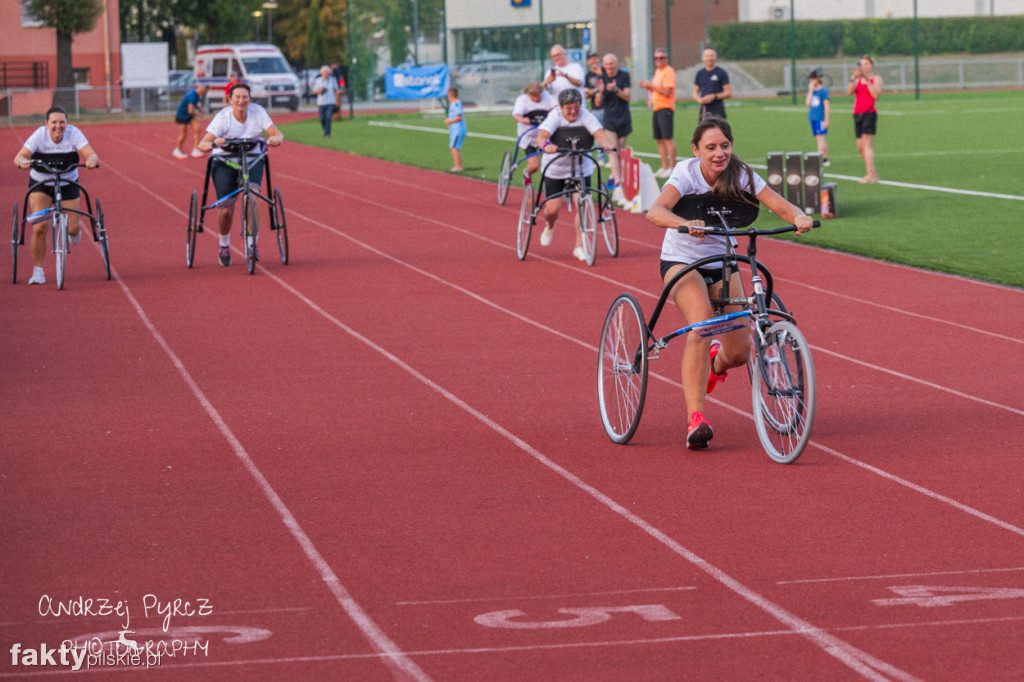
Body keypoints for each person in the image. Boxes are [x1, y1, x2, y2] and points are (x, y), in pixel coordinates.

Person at [645, 116, 813, 449]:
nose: (719, 153)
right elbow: (655, 211)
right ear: (696, 150)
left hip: (723, 260)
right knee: (703, 326)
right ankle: (696, 420)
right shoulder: (685, 173)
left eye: (724, 146)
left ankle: (714, 366)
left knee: (738, 352)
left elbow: (778, 204)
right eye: (710, 147)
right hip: (682, 260)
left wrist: (799, 217)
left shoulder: (741, 174)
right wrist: (684, 224)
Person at [197, 82, 284, 267]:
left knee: (252, 198)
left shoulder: (257, 111)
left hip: (251, 159)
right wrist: (214, 144)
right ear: (230, 99)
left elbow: (276, 132)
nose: (241, 101)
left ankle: (252, 244)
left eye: (245, 97)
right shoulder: (223, 118)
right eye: (237, 97)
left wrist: (276, 138)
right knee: (227, 209)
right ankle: (224, 244)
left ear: (250, 99)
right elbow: (202, 145)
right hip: (225, 162)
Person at [13, 106, 100, 285]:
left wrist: (91, 160)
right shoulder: (39, 135)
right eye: (54, 122)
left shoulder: (74, 133)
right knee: (39, 227)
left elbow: (91, 154)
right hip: (41, 184)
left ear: (67, 123)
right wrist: (23, 162)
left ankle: (71, 232)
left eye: (62, 122)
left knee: (74, 229)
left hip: (67, 183)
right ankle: (38, 271)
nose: (58, 126)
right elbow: (20, 156)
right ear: (47, 124)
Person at [533, 88, 620, 261]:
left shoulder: (586, 116)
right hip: (556, 168)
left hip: (581, 167)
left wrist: (606, 144)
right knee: (553, 210)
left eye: (576, 107)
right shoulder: (555, 117)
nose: (573, 111)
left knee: (582, 205)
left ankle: (579, 246)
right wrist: (545, 145)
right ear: (561, 108)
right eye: (569, 108)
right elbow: (542, 136)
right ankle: (550, 225)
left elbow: (599, 133)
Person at [639, 48, 677, 177]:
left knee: (667, 138)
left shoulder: (669, 71)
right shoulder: (657, 72)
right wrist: (647, 86)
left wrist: (652, 85)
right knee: (659, 139)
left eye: (661, 58)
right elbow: (657, 90)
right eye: (656, 58)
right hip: (656, 107)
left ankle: (672, 167)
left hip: (665, 107)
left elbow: (667, 92)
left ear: (666, 58)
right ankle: (664, 166)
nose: (658, 60)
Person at [512, 81, 557, 182]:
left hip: (544, 135)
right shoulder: (522, 100)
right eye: (533, 96)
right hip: (529, 136)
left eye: (538, 95)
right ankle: (527, 173)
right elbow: (516, 115)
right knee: (535, 166)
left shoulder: (547, 97)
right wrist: (523, 120)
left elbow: (556, 108)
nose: (536, 98)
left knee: (548, 164)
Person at [847, 55, 882, 183]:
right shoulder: (857, 80)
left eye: (867, 64)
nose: (864, 66)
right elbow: (849, 92)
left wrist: (868, 81)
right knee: (860, 147)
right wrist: (853, 78)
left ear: (871, 65)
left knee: (867, 144)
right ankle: (873, 173)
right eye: (862, 64)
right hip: (857, 114)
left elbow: (876, 95)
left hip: (869, 113)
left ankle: (869, 175)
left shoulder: (875, 78)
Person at [173, 84, 209, 159]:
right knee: (184, 134)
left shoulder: (197, 94)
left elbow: (194, 104)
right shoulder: (192, 95)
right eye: (205, 92)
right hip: (182, 116)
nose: (205, 94)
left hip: (189, 116)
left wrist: (199, 109)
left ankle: (195, 150)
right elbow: (190, 111)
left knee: (198, 129)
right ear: (202, 89)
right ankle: (178, 150)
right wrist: (198, 114)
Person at [693, 48, 730, 121]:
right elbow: (695, 92)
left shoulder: (721, 72)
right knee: (703, 131)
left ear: (715, 57)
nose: (710, 58)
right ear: (703, 58)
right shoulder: (700, 73)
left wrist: (713, 97)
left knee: (720, 131)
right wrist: (699, 99)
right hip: (704, 109)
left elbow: (728, 93)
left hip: (718, 109)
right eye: (707, 56)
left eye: (712, 56)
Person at [805, 69, 830, 167]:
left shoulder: (823, 91)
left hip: (820, 118)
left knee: (821, 139)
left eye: (812, 79)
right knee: (819, 139)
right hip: (813, 117)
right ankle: (825, 159)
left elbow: (827, 106)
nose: (810, 81)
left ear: (817, 79)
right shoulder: (811, 90)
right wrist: (810, 91)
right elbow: (808, 103)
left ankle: (821, 160)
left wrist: (826, 120)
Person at [312, 65, 338, 138]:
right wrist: (320, 90)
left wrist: (337, 100)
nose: (325, 74)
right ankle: (325, 130)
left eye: (326, 72)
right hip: (321, 102)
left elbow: (336, 90)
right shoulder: (318, 80)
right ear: (322, 73)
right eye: (324, 73)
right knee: (322, 118)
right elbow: (314, 91)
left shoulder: (333, 79)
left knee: (328, 117)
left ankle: (327, 134)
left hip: (331, 101)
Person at [444, 86, 467, 173]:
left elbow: (459, 117)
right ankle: (458, 166)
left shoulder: (457, 104)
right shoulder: (453, 104)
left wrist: (449, 121)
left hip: (458, 130)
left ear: (450, 95)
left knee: (454, 147)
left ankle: (458, 167)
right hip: (454, 130)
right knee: (454, 147)